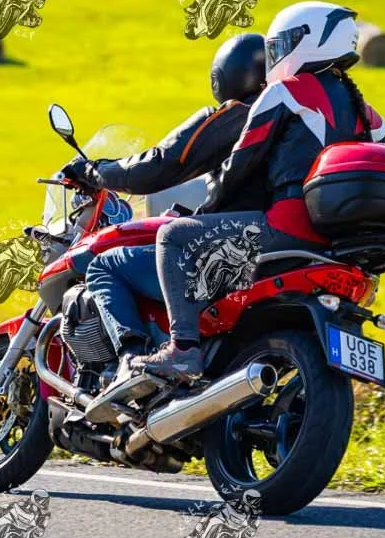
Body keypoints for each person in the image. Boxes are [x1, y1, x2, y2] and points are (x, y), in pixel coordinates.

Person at [133, 1, 385, 382]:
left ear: (308, 42)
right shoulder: (367, 114)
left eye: (280, 46)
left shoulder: (286, 91)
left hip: (286, 227)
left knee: (173, 236)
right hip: (336, 246)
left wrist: (202, 214)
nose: (275, 59)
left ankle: (182, 350)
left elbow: (240, 165)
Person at [62, 33, 269, 367]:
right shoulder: (288, 116)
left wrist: (94, 172)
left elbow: (161, 164)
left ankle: (130, 363)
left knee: (105, 265)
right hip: (270, 247)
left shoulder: (237, 116)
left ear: (225, 75)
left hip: (229, 254)